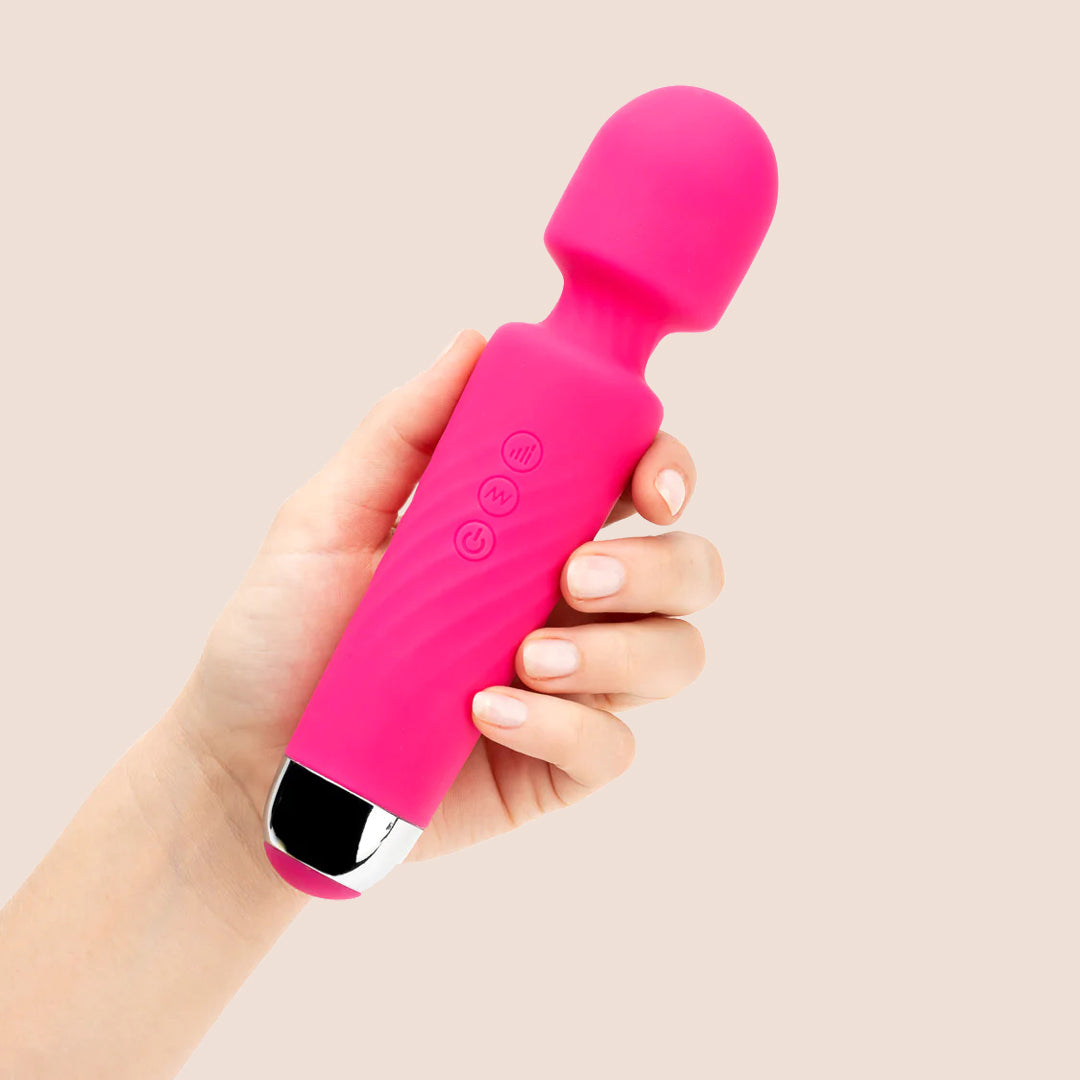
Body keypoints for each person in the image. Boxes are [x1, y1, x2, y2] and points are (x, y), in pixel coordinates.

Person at [0, 331, 724, 1077]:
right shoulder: (542, 370)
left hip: (376, 776)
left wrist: (225, 821)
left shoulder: (557, 380)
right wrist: (221, 792)